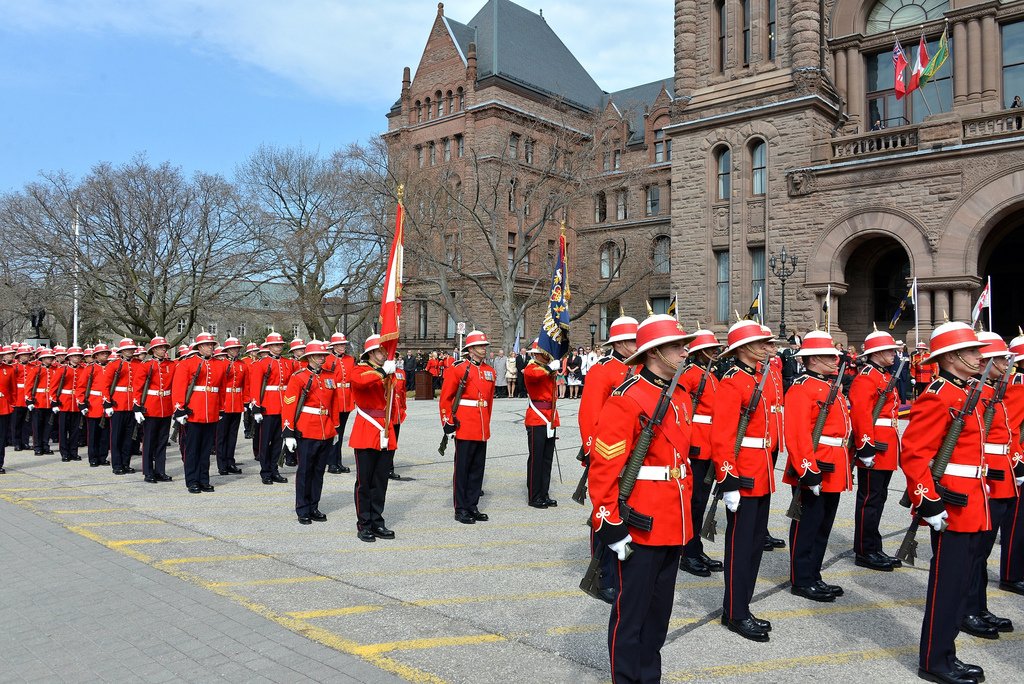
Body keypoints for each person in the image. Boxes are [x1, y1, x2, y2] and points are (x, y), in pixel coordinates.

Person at [589, 314, 695, 683]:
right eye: (678, 346)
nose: (685, 351)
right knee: (631, 613)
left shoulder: (678, 395)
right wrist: (609, 520)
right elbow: (605, 466)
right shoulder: (628, 397)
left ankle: (649, 676)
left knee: (658, 614)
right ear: (655, 353)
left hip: (673, 518)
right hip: (641, 521)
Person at [901, 321, 990, 684]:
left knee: (960, 582)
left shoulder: (964, 391)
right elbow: (914, 453)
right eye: (971, 351)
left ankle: (947, 653)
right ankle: (935, 660)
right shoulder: (939, 395)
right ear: (952, 357)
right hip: (951, 505)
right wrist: (929, 503)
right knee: (946, 585)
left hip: (971, 501)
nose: (978, 356)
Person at [709, 319, 777, 642]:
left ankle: (742, 606)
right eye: (761, 343)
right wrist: (728, 478)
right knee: (739, 547)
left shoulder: (756, 376)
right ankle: (735, 612)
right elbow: (721, 436)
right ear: (746, 349)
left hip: (760, 472)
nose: (767, 348)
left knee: (752, 548)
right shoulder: (732, 382)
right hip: (744, 474)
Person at [784, 330, 853, 603]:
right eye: (828, 356)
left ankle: (814, 574)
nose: (835, 360)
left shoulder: (827, 384)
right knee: (808, 525)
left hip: (833, 463)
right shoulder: (802, 387)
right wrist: (807, 469)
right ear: (812, 359)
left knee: (823, 525)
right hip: (814, 464)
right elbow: (798, 433)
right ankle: (801, 579)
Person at [956, 331, 1017, 640]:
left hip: (998, 473)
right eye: (1002, 359)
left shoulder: (991, 391)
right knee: (975, 551)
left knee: (982, 551)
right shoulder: (974, 393)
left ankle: (979, 606)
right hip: (988, 476)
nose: (1008, 363)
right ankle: (967, 609)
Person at [578, 315, 638, 603]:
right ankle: (603, 576)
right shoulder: (603, 370)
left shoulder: (638, 368)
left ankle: (623, 571)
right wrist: (592, 451)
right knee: (606, 515)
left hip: (635, 454)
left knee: (627, 515)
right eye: (632, 340)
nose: (637, 344)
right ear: (619, 343)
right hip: (609, 451)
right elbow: (589, 413)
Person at [847, 329, 903, 571]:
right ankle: (864, 549)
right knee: (870, 499)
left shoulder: (882, 374)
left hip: (886, 444)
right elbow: (860, 414)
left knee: (879, 498)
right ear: (877, 353)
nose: (894, 353)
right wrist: (866, 446)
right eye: (890, 350)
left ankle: (873, 545)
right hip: (874, 445)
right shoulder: (867, 377)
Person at [679, 328, 725, 577]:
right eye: (712, 349)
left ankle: (695, 547)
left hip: (709, 445)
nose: (716, 352)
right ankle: (687, 552)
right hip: (696, 445)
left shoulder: (710, 375)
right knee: (694, 503)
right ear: (700, 352)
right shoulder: (691, 375)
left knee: (701, 502)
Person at [439, 330, 496, 525]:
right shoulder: (458, 368)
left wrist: (486, 423)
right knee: (463, 469)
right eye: (480, 346)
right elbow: (446, 397)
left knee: (477, 469)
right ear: (470, 349)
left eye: (485, 346)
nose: (484, 349)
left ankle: (472, 505)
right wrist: (448, 420)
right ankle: (461, 508)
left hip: (481, 425)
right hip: (464, 423)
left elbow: (489, 401)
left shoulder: (490, 370)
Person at [350, 334, 399, 542]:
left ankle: (377, 520)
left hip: (386, 430)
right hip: (367, 428)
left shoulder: (388, 373)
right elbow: (360, 383)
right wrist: (381, 372)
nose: (384, 354)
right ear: (371, 353)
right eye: (380, 351)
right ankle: (364, 524)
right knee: (365, 481)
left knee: (380, 481)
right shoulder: (360, 370)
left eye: (385, 351)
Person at [282, 340, 337, 525]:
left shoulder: (330, 376)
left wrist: (335, 427)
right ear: (310, 357)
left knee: (319, 471)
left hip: (325, 429)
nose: (323, 358)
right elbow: (289, 404)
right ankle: (303, 508)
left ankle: (314, 506)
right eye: (319, 355)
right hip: (306, 429)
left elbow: (334, 404)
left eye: (324, 355)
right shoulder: (299, 377)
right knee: (305, 471)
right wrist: (288, 432)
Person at [172, 332, 227, 493]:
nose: (211, 347)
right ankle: (192, 480)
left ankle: (204, 479)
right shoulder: (187, 364)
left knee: (206, 449)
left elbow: (221, 389)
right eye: (207, 345)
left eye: (212, 345)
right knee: (192, 449)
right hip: (193, 412)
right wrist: (179, 408)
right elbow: (179, 387)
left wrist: (221, 408)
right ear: (199, 347)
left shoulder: (219, 364)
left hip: (211, 413)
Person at [248, 332, 292, 486]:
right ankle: (265, 471)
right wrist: (256, 407)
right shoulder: (262, 363)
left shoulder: (287, 363)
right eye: (275, 345)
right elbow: (256, 386)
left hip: (283, 407)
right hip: (268, 406)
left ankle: (274, 470)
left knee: (278, 442)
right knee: (265, 441)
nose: (278, 347)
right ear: (269, 346)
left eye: (280, 344)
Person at [523, 341, 560, 509]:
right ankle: (534, 495)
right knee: (536, 459)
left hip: (550, 417)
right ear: (538, 354)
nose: (548, 355)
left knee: (546, 459)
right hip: (537, 418)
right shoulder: (531, 367)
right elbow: (536, 375)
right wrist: (551, 368)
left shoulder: (547, 368)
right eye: (545, 353)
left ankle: (544, 493)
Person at [134, 337, 176, 483]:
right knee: (150, 441)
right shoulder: (146, 365)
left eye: (164, 347)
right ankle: (148, 471)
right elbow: (138, 387)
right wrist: (137, 407)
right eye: (160, 347)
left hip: (166, 407)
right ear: (153, 350)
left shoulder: (171, 365)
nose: (164, 349)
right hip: (150, 407)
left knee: (162, 441)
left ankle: (160, 470)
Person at [1002, 331, 1024, 596]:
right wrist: (1018, 461)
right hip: (1019, 456)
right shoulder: (1018, 383)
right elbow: (1012, 428)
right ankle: (1011, 572)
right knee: (1017, 520)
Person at [101, 339, 141, 473]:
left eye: (132, 349)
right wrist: (107, 403)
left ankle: (126, 463)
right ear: (122, 351)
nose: (130, 351)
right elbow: (105, 385)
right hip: (118, 404)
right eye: (127, 349)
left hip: (132, 406)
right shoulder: (114, 365)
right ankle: (117, 464)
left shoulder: (138, 364)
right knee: (117, 436)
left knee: (129, 437)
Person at [216, 337, 247, 476]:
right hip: (225, 402)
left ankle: (230, 462)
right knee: (222, 435)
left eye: (237, 348)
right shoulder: (221, 364)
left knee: (232, 435)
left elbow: (246, 385)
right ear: (227, 350)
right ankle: (222, 464)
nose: (236, 350)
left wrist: (246, 402)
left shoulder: (242, 364)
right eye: (233, 348)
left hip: (237, 402)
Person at [77, 343, 111, 467]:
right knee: (93, 434)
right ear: (96, 356)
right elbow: (81, 387)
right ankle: (93, 457)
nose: (105, 355)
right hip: (93, 404)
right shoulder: (89, 369)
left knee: (105, 434)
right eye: (102, 353)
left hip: (107, 404)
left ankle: (103, 456)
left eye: (106, 353)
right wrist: (82, 403)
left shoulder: (110, 368)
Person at [325, 333, 355, 475]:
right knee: (334, 432)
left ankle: (338, 461)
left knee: (341, 433)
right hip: (334, 399)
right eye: (339, 344)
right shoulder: (327, 359)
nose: (342, 347)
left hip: (347, 399)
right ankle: (331, 462)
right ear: (333, 346)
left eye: (343, 344)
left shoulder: (350, 359)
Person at [49, 346, 85, 462]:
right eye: (75, 356)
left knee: (75, 430)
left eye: (79, 356)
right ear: (69, 358)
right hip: (64, 402)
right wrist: (54, 401)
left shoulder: (83, 370)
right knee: (63, 430)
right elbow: (53, 387)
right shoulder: (62, 370)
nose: (77, 358)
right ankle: (64, 452)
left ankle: (74, 452)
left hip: (77, 403)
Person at [0, 345, 15, 473]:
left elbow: (13, 389)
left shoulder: (8, 369)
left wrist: (12, 404)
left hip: (3, 407)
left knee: (1, 437)